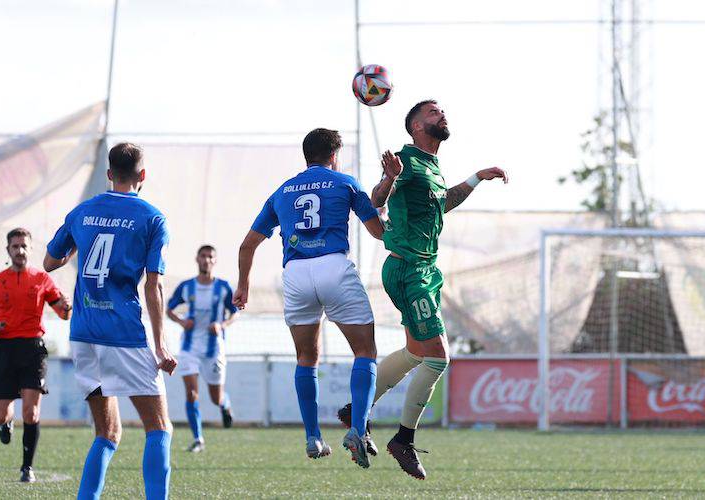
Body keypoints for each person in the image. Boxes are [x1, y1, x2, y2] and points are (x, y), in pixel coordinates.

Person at [337, 100, 508, 480]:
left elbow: (441, 204)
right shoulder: (406, 160)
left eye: (442, 111)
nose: (441, 115)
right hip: (409, 269)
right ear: (415, 126)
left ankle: (356, 411)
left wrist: (476, 178)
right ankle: (403, 439)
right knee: (439, 357)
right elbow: (375, 201)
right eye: (432, 113)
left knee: (417, 352)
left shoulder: (431, 165)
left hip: (425, 269)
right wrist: (389, 178)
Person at [233, 128, 389, 468]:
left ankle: (313, 437)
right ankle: (358, 430)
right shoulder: (345, 182)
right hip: (333, 266)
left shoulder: (283, 190)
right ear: (334, 155)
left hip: (296, 274)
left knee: (306, 357)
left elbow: (247, 245)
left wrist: (243, 285)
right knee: (365, 351)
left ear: (307, 156)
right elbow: (377, 231)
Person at [44, 142, 177, 500]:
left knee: (106, 433)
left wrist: (76, 246)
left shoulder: (82, 212)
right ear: (142, 176)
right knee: (159, 428)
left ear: (108, 174)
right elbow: (154, 286)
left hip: (84, 333)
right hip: (123, 334)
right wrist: (161, 345)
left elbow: (49, 262)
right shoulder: (153, 218)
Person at [0, 228, 71, 482]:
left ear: (30, 249)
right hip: (5, 349)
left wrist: (67, 307)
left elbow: (63, 313)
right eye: (15, 246)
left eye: (24, 246)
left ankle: (26, 467)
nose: (20, 250)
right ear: (8, 250)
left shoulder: (42, 279)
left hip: (32, 349)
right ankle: (4, 425)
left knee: (31, 413)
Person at [167, 244, 238, 453]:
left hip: (214, 349)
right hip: (189, 348)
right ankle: (198, 439)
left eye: (210, 257)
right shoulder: (186, 286)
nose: (206, 260)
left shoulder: (224, 287)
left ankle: (225, 404)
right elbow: (168, 309)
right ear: (197, 259)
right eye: (203, 256)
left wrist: (222, 325)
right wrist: (181, 322)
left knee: (216, 398)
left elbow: (235, 312)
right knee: (191, 393)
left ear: (214, 261)